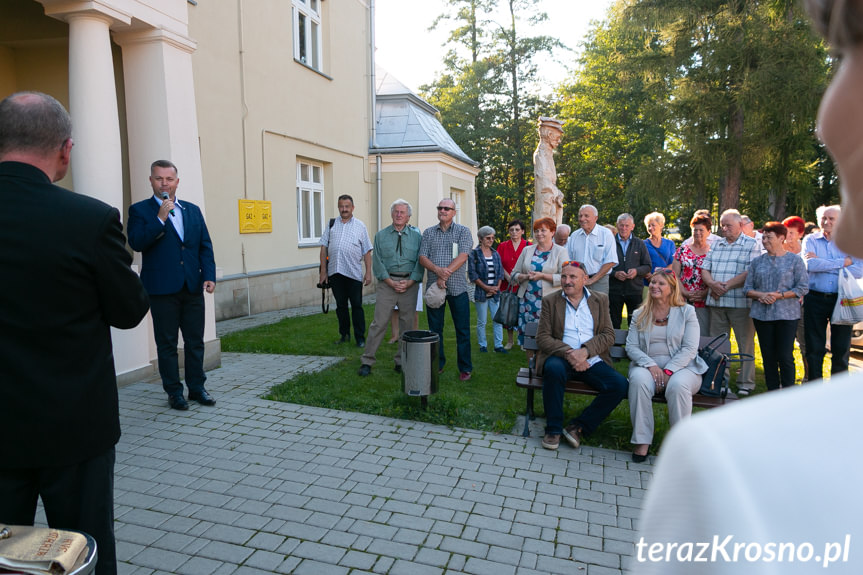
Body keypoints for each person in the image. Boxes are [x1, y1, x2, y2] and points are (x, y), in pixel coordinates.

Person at [630, 5, 863, 572]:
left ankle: (739, 386)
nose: (824, 121)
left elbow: (774, 278)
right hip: (716, 301)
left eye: (847, 56)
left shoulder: (732, 477)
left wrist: (736, 286)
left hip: (743, 304)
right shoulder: (746, 465)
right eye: (838, 56)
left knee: (757, 354)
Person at [0, 91, 150, 575]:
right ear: (66, 149)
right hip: (74, 427)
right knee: (82, 552)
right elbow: (129, 312)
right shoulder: (89, 220)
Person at [128, 160, 218, 410]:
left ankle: (197, 387)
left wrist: (208, 274)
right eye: (159, 179)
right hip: (161, 289)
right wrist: (160, 219)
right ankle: (174, 392)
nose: (164, 183)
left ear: (177, 181)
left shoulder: (192, 210)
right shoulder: (140, 210)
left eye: (169, 179)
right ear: (151, 181)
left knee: (195, 341)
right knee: (167, 343)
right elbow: (136, 242)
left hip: (192, 286)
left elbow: (204, 245)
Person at [537, 261, 628, 451]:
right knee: (553, 369)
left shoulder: (600, 300)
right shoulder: (550, 301)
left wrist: (585, 352)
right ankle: (553, 429)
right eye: (564, 276)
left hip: (592, 359)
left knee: (620, 385)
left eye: (572, 277)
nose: (567, 281)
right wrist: (570, 354)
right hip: (561, 357)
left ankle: (578, 427)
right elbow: (543, 338)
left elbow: (608, 335)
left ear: (585, 279)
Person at [626, 269, 707, 462]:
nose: (654, 286)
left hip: (684, 367)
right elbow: (632, 346)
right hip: (648, 365)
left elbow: (689, 348)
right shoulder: (640, 314)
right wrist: (650, 365)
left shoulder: (687, 312)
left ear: (672, 288)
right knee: (638, 381)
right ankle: (642, 441)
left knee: (678, 386)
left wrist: (670, 370)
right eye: (653, 282)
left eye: (661, 283)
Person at [358, 199, 423, 376]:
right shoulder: (381, 236)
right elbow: (377, 262)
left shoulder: (417, 237)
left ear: (408, 216)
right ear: (391, 214)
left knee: (407, 325)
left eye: (402, 212)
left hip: (409, 284)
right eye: (396, 212)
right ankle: (367, 361)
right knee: (379, 323)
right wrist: (389, 281)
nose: (399, 215)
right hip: (387, 285)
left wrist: (410, 281)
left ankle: (401, 361)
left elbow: (420, 261)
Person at [700, 209, 761, 395]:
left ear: (741, 226)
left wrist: (724, 286)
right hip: (717, 303)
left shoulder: (752, 244)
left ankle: (746, 383)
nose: (724, 229)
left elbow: (751, 272)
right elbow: (705, 268)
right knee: (717, 345)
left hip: (740, 303)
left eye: (729, 226)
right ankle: (719, 379)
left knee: (745, 343)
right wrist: (711, 284)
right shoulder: (717, 245)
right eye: (722, 225)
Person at [743, 222, 810, 390]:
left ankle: (788, 391)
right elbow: (747, 289)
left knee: (785, 355)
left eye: (769, 237)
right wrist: (762, 295)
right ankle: (772, 390)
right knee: (768, 355)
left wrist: (779, 295)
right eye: (763, 237)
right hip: (761, 315)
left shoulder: (795, 260)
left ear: (781, 238)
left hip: (787, 315)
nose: (764, 240)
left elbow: (802, 288)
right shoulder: (757, 262)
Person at [802, 205, 863, 380]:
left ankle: (838, 393)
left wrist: (824, 263)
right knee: (814, 348)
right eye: (824, 218)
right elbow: (810, 265)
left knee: (841, 348)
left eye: (832, 219)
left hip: (843, 299)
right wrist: (844, 262)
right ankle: (815, 386)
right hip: (815, 297)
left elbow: (859, 270)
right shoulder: (810, 240)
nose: (827, 222)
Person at [419, 198, 473, 380]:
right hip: (435, 288)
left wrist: (445, 275)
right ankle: (437, 364)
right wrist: (437, 272)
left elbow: (463, 255)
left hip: (457, 288)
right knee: (435, 330)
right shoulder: (428, 233)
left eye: (447, 208)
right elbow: (422, 257)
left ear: (454, 212)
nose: (443, 211)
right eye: (440, 208)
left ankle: (465, 368)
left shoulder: (463, 232)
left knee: (463, 330)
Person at [319, 194, 373, 347]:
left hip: (353, 273)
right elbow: (324, 248)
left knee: (356, 306)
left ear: (352, 208)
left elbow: (367, 251)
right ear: (338, 207)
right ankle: (344, 335)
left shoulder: (360, 226)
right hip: (335, 273)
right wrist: (323, 272)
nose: (344, 209)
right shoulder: (331, 224)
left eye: (347, 207)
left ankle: (360, 338)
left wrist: (368, 273)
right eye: (341, 206)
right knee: (341, 307)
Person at [511, 217, 567, 352]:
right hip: (527, 303)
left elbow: (565, 277)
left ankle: (545, 367)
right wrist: (524, 277)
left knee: (548, 335)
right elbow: (514, 274)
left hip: (549, 302)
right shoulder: (527, 250)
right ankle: (532, 368)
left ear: (552, 232)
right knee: (529, 337)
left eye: (543, 230)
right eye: (536, 231)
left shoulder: (560, 251)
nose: (539, 234)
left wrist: (543, 276)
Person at [609, 213, 652, 329]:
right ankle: (614, 346)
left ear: (632, 226)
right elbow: (602, 266)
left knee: (635, 322)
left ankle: (632, 346)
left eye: (627, 226)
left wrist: (637, 271)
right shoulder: (610, 242)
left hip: (634, 290)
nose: (624, 228)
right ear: (617, 225)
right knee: (614, 323)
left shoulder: (639, 243)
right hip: (614, 290)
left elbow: (648, 266)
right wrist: (614, 273)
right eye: (621, 225)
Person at [672, 212, 713, 336]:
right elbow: (674, 275)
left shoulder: (713, 252)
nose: (697, 233)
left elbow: (715, 276)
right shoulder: (682, 251)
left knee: (702, 334)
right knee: (681, 333)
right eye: (695, 230)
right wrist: (685, 292)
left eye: (701, 230)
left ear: (709, 232)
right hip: (683, 298)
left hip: (704, 300)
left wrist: (703, 293)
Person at [468, 226, 506, 353]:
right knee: (482, 321)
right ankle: (482, 345)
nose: (491, 240)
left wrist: (496, 288)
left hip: (495, 293)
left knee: (497, 320)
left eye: (493, 238)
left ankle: (498, 345)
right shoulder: (474, 254)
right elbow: (473, 275)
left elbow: (500, 272)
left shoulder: (495, 253)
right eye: (488, 238)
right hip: (481, 292)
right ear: (480, 238)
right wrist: (486, 288)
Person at [567, 204, 618, 293]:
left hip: (599, 282)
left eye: (586, 216)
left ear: (595, 218)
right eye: (580, 216)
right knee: (577, 306)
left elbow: (611, 261)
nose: (582, 219)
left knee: (598, 306)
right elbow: (570, 260)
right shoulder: (574, 235)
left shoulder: (606, 234)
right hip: (578, 281)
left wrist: (592, 280)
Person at [498, 219, 531, 350]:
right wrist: (508, 276)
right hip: (507, 284)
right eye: (511, 230)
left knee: (524, 313)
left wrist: (520, 278)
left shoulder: (528, 246)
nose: (514, 232)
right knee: (508, 313)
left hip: (524, 284)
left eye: (517, 229)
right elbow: (498, 264)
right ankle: (510, 340)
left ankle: (523, 341)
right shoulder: (502, 246)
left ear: (522, 231)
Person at [783, 215, 809, 381]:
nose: (788, 236)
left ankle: (807, 375)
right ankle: (785, 378)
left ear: (800, 234)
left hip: (802, 303)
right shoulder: (780, 248)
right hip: (782, 302)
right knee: (784, 344)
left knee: (804, 342)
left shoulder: (805, 251)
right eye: (786, 232)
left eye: (792, 233)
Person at [642, 211, 676, 283]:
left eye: (653, 225)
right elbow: (639, 262)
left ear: (661, 225)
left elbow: (673, 263)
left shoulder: (670, 243)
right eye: (649, 226)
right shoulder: (642, 244)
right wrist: (649, 275)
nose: (651, 228)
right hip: (648, 282)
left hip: (666, 281)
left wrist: (657, 275)